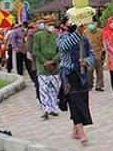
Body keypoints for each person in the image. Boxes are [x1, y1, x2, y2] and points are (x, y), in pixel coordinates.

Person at [57, 16, 95, 144]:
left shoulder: (84, 39)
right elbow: (64, 47)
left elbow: (91, 53)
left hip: (82, 74)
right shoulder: (62, 38)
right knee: (74, 101)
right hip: (69, 74)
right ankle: (81, 131)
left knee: (83, 100)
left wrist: (86, 61)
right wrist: (77, 34)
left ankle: (75, 130)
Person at [33, 15, 60, 120]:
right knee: (43, 89)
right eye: (49, 24)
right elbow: (36, 51)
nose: (51, 26)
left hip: (55, 67)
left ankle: (53, 108)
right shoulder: (38, 36)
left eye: (53, 24)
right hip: (43, 68)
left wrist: (53, 61)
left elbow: (60, 51)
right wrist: (45, 62)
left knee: (54, 89)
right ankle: (45, 110)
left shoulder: (56, 36)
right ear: (44, 25)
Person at [27, 17, 44, 102]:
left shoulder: (49, 34)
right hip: (37, 63)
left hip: (49, 64)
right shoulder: (31, 36)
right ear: (35, 25)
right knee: (38, 82)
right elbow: (30, 48)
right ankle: (40, 98)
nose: (42, 24)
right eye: (39, 23)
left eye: (43, 23)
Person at [84, 22, 105, 92]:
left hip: (98, 53)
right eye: (90, 23)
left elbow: (103, 42)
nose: (92, 25)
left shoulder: (101, 32)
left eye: (93, 23)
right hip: (89, 55)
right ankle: (89, 84)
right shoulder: (86, 32)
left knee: (99, 71)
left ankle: (99, 85)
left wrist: (103, 50)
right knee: (89, 70)